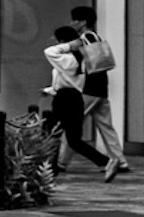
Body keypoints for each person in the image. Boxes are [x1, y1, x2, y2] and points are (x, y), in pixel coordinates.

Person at [44, 22, 120, 180]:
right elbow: (63, 81)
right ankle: (105, 162)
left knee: (54, 134)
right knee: (73, 140)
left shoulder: (67, 59)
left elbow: (49, 52)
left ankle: (50, 167)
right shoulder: (84, 60)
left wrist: (68, 46)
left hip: (64, 99)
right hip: (76, 98)